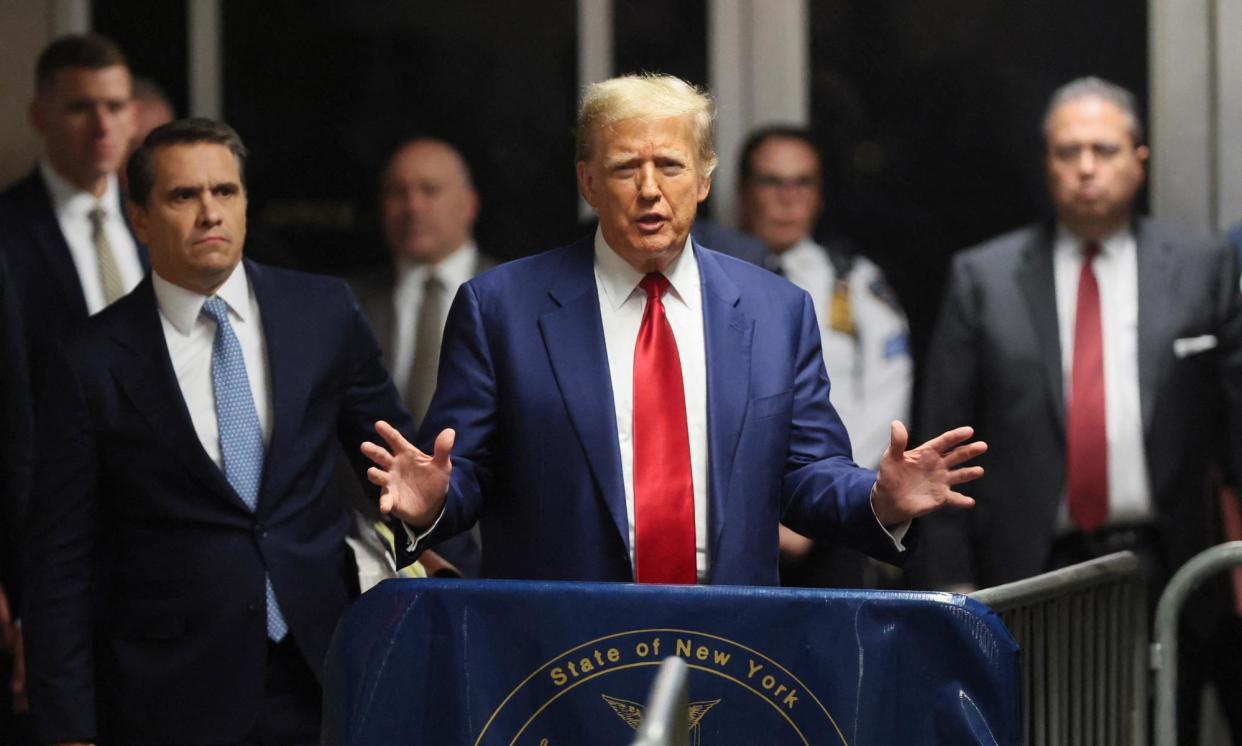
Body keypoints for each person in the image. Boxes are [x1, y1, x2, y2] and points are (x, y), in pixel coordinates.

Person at [360, 73, 985, 586]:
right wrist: (431, 505)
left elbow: (806, 473)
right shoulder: (500, 308)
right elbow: (466, 470)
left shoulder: (777, 311)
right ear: (588, 182)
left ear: (706, 181)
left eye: (671, 166)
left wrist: (881, 501)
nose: (650, 191)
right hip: (560, 639)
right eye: (627, 167)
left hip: (729, 639)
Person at [22, 118, 414, 745]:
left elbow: (395, 466)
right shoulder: (89, 358)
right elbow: (59, 561)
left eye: (225, 192)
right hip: (167, 693)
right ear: (141, 219)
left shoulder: (322, 312)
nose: (210, 212)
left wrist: (429, 516)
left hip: (320, 668)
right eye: (184, 196)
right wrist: (68, 727)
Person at [916, 76, 1242, 743]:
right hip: (1028, 570)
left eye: (1104, 148)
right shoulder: (985, 277)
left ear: (1139, 159)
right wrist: (952, 589)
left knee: (1160, 730)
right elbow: (939, 446)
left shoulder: (1203, 267)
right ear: (1047, 164)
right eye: (1068, 152)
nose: (1086, 167)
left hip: (1170, 565)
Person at [737, 126, 913, 588]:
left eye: (802, 183)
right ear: (742, 193)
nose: (787, 198)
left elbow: (886, 396)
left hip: (838, 520)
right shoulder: (705, 281)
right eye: (772, 182)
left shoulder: (852, 281)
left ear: (819, 196)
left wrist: (821, 498)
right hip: (731, 521)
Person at [351, 138, 495, 576]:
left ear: (469, 204)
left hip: (493, 548)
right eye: (398, 192)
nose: (412, 206)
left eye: (430, 190)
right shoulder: (349, 304)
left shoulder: (514, 300)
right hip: (378, 551)